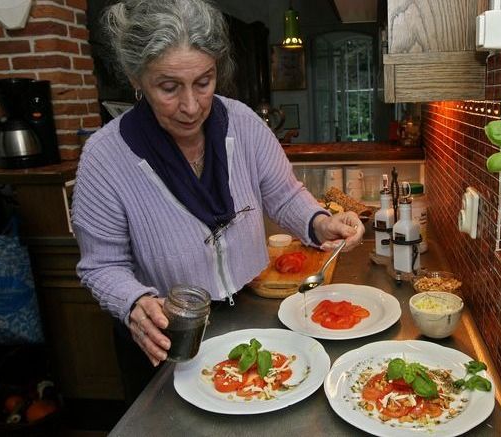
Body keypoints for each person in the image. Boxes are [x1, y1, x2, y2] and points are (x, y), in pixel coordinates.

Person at [72, 0, 364, 402]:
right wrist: (133, 301)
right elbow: (101, 265)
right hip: (171, 339)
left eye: (204, 82)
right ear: (136, 77)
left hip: (253, 316)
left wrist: (317, 222)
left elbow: (282, 194)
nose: (191, 107)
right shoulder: (105, 157)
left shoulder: (243, 123)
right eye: (169, 87)